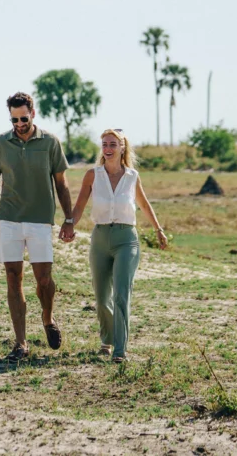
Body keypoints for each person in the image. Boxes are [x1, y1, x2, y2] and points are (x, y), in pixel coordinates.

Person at [0, 92, 75, 361]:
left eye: (23, 117)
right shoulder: (0, 144)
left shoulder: (50, 142)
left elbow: (61, 183)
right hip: (9, 219)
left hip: (40, 220)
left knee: (43, 280)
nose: (19, 123)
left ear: (33, 113)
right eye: (13, 119)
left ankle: (47, 318)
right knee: (13, 277)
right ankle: (21, 343)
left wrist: (68, 219)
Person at [65, 128, 167, 363]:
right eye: (104, 144)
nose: (108, 149)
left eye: (112, 144)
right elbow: (80, 204)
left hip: (126, 239)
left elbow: (143, 203)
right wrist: (69, 223)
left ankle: (120, 350)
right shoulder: (93, 175)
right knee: (102, 298)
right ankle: (107, 341)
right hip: (100, 238)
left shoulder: (132, 176)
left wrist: (158, 229)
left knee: (121, 294)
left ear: (122, 148)